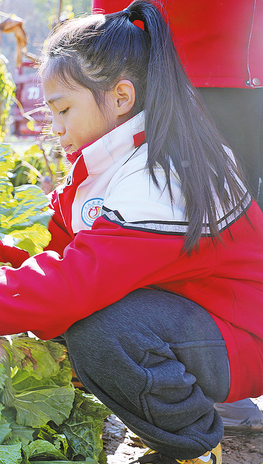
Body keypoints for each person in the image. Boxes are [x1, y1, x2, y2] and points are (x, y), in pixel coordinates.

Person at [0, 0, 263, 464]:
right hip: (193, 315)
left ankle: (192, 443)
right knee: (78, 318)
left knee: (100, 330)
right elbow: (59, 245)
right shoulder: (116, 155)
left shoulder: (161, 175)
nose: (55, 126)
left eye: (63, 110)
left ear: (121, 97)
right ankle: (157, 404)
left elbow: (76, 280)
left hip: (241, 333)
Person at [92, 0, 263, 435]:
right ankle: (188, 368)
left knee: (218, 230)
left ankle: (215, 374)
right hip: (171, 64)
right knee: (168, 235)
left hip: (235, 70)